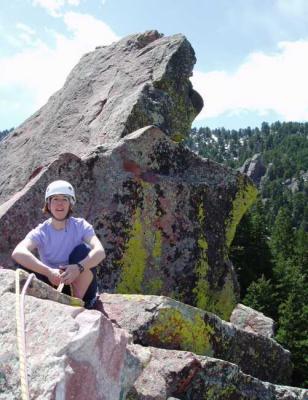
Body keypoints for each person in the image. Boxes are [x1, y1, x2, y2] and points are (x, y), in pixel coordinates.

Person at [12, 180, 105, 309]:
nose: (60, 204)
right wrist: (49, 272)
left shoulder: (81, 226)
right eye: (55, 199)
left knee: (82, 251)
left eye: (65, 199)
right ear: (48, 205)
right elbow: (18, 252)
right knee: (21, 265)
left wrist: (78, 268)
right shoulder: (42, 231)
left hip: (81, 285)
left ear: (70, 204)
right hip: (54, 284)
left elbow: (100, 251)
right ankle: (60, 302)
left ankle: (79, 302)